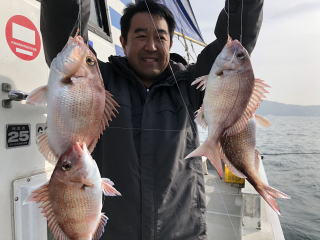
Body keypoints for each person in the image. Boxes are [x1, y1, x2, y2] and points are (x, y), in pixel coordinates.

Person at [40, 0, 263, 239]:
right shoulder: (97, 80)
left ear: (171, 42)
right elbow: (66, 37)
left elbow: (234, 44)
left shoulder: (190, 85)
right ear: (123, 42)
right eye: (140, 35)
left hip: (181, 233)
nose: (151, 46)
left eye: (160, 37)